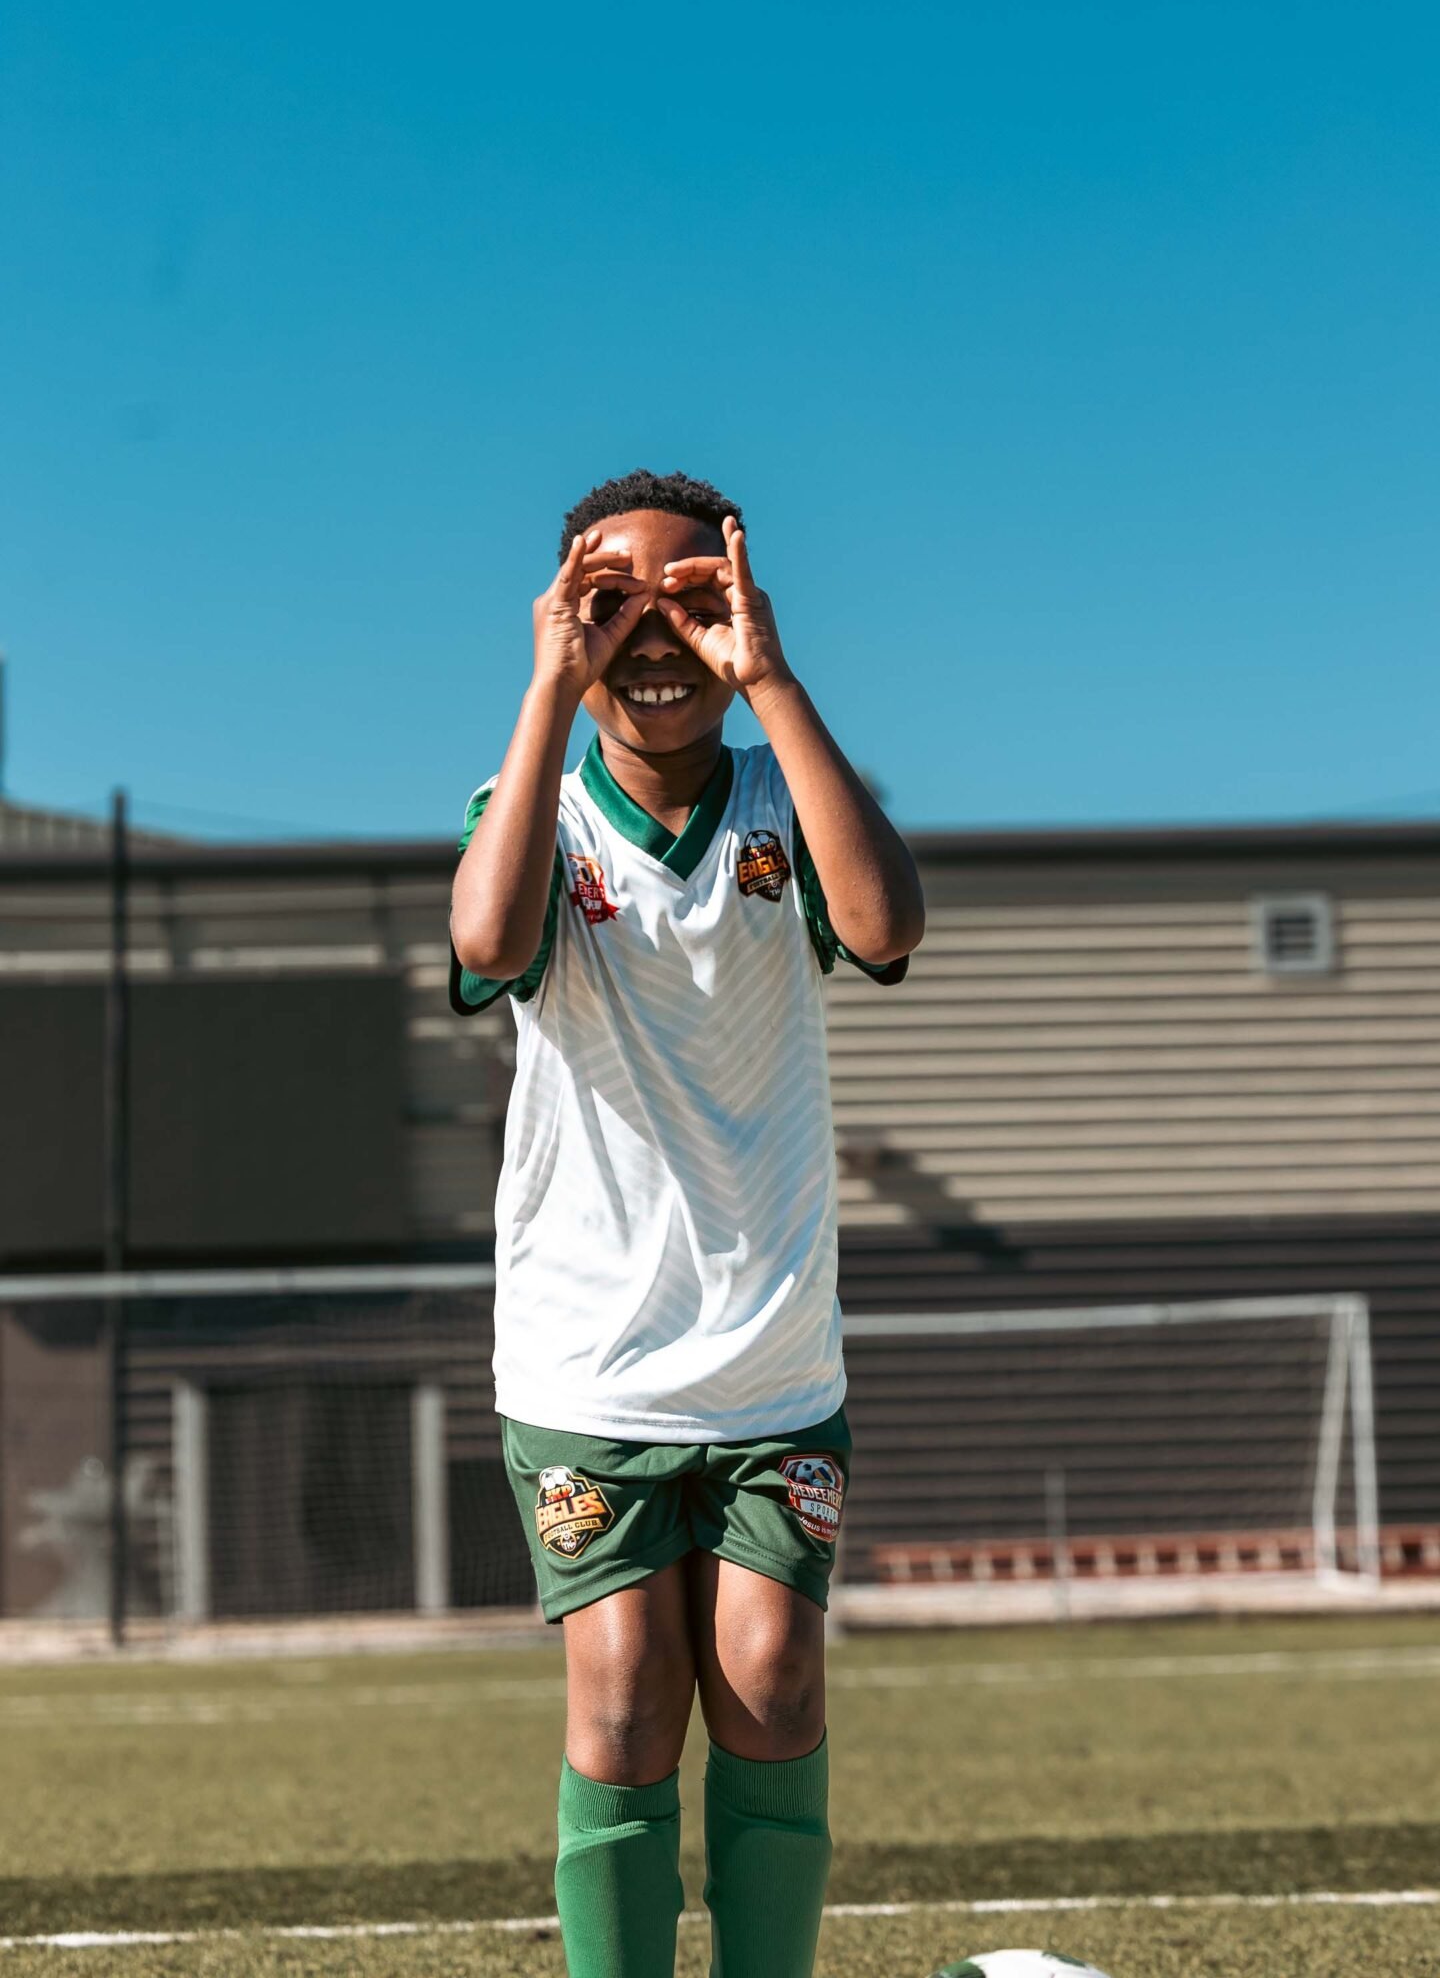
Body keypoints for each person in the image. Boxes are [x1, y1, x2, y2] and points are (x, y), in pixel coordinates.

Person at [449, 467, 924, 1977]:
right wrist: (549, 688)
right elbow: (487, 940)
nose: (653, 636)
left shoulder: (789, 794)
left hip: (773, 1355)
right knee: (624, 1698)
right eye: (612, 604)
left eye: (689, 598)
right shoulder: (531, 807)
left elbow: (886, 925)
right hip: (590, 1356)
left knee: (773, 1682)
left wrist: (769, 674)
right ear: (564, 623)